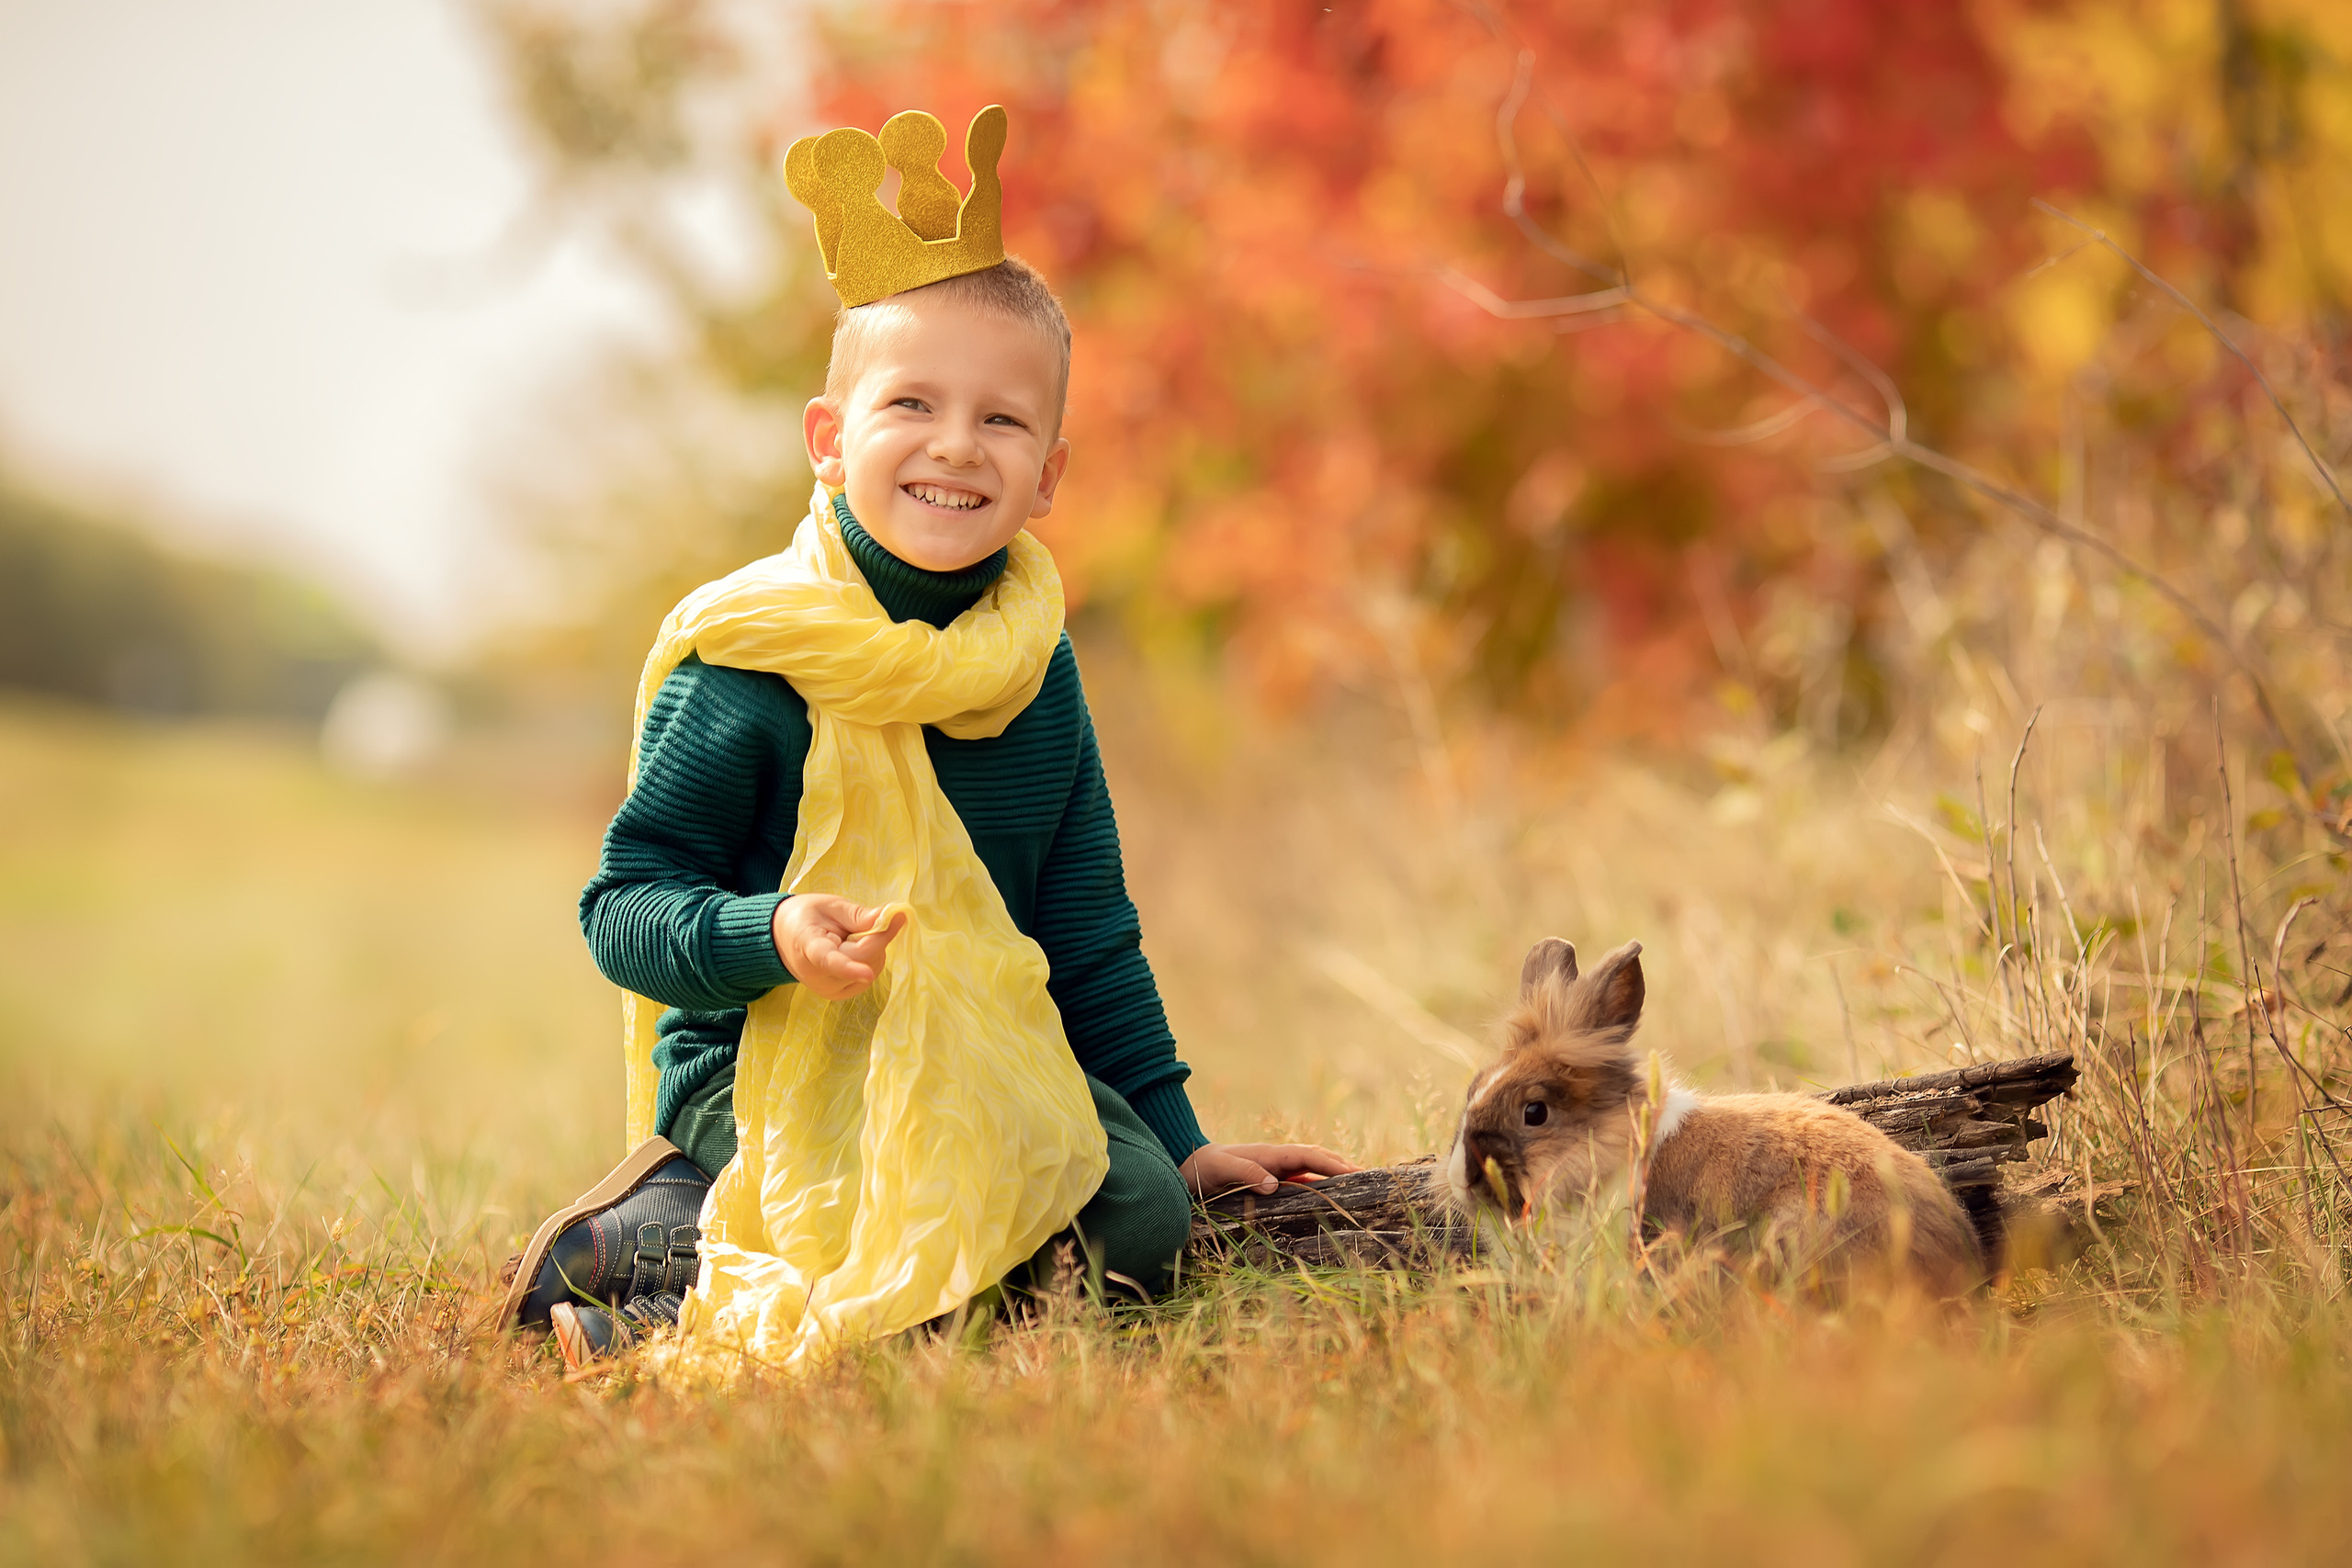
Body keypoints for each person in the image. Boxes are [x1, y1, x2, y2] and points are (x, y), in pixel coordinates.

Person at [501, 107, 1352, 1372]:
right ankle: (654, 1263)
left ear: (1050, 476)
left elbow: (1083, 927)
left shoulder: (1032, 665)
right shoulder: (756, 663)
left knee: (1142, 1221)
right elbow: (624, 911)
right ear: (830, 441)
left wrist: (1179, 1137)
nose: (958, 445)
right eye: (912, 404)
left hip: (977, 1041)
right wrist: (770, 933)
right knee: (924, 1199)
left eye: (1003, 422)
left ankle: (721, 1254)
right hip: (758, 1056)